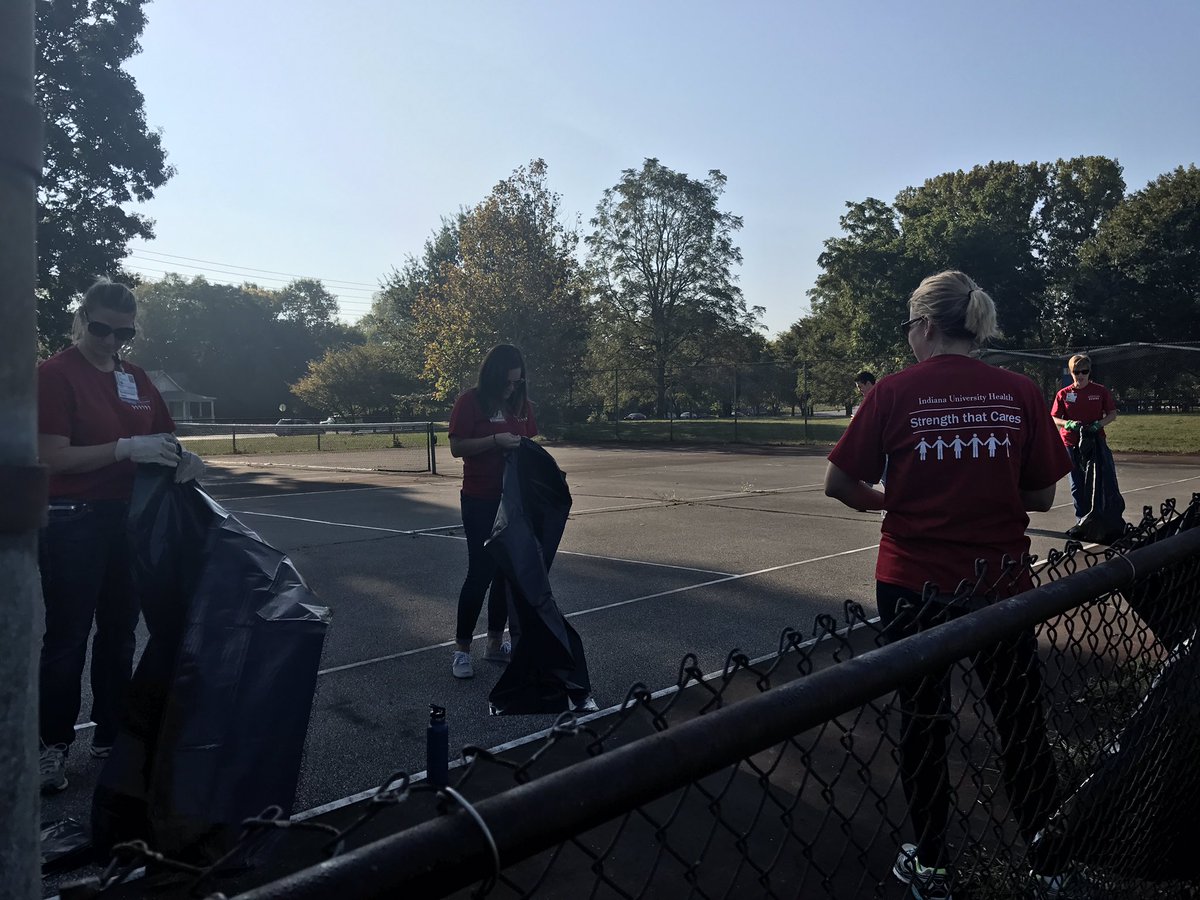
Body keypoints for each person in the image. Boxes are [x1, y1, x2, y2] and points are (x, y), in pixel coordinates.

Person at [823, 271, 1076, 900]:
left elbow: (839, 484)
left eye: (909, 327)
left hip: (914, 581)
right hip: (1001, 582)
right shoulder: (1019, 390)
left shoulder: (890, 393)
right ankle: (1047, 863)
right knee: (1020, 722)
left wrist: (893, 499)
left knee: (924, 719)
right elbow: (1042, 495)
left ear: (926, 325)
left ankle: (932, 862)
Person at [37, 279, 206, 793]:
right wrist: (123, 448)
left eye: (123, 333)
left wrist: (184, 459)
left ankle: (112, 736)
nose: (111, 342)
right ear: (81, 318)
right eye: (101, 328)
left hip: (131, 521)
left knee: (119, 635)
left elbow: (166, 434)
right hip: (72, 519)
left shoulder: (135, 378)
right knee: (67, 640)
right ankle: (53, 746)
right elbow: (50, 457)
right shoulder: (54, 374)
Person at [447, 344, 538, 679]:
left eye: (517, 382)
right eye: (507, 382)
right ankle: (461, 650)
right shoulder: (469, 401)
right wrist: (495, 440)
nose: (512, 388)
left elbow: (529, 447)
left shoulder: (523, 405)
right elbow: (457, 447)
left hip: (512, 501)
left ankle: (495, 643)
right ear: (493, 376)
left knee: (505, 574)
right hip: (480, 499)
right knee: (480, 573)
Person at [1050, 354, 1120, 531]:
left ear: (1089, 372)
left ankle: (1104, 516)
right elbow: (1054, 417)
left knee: (1102, 480)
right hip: (1072, 443)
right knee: (1077, 483)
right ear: (1071, 372)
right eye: (1076, 372)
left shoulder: (1100, 391)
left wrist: (1099, 424)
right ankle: (1082, 519)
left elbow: (1112, 413)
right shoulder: (1064, 394)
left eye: (1084, 371)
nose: (1080, 375)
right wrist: (1068, 424)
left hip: (1095, 442)